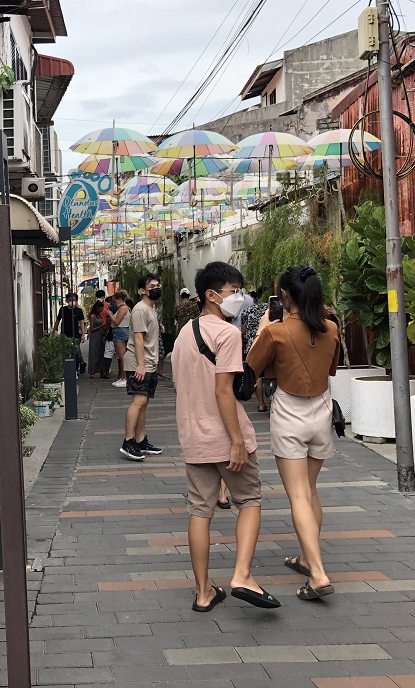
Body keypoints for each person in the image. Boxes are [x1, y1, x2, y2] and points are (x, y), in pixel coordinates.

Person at [172, 261, 280, 612]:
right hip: (225, 435)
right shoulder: (227, 334)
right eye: (235, 292)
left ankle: (204, 592)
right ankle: (242, 576)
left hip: (193, 437)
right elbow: (223, 392)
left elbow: (178, 385)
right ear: (212, 295)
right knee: (249, 501)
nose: (241, 298)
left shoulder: (185, 333)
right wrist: (236, 440)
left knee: (199, 512)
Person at [246, 265, 340, 601]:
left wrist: (263, 330)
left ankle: (317, 574)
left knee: (298, 495)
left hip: (289, 413)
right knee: (311, 491)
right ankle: (306, 558)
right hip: (322, 411)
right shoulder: (331, 329)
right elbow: (330, 368)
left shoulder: (276, 331)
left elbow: (250, 368)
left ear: (285, 296)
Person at [120, 275, 164, 461]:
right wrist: (140, 365)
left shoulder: (150, 308)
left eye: (158, 285)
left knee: (144, 402)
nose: (156, 288)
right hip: (140, 362)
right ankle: (128, 442)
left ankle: (140, 439)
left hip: (148, 362)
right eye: (151, 286)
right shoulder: (139, 310)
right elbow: (138, 337)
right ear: (141, 290)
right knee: (138, 401)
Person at [241, 290, 270, 412]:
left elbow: (243, 331)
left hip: (252, 346)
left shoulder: (247, 310)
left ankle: (261, 404)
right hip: (269, 343)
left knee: (257, 375)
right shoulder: (268, 308)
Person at [52, 292, 86, 374]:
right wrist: (54, 331)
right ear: (67, 300)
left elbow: (81, 322)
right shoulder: (63, 310)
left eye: (74, 300)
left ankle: (76, 369)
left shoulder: (79, 311)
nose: (72, 301)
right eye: (70, 300)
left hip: (76, 335)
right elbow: (57, 321)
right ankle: (68, 370)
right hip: (65, 334)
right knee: (66, 353)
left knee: (77, 354)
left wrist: (83, 334)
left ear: (77, 300)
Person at [109, 290, 132, 387]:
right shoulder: (127, 308)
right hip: (124, 331)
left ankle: (124, 378)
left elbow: (116, 322)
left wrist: (110, 315)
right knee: (123, 356)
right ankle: (124, 377)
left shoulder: (123, 308)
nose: (114, 304)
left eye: (114, 301)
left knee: (121, 356)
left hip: (120, 331)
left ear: (119, 299)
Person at [87, 300, 111, 380]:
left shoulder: (98, 315)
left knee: (101, 352)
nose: (102, 309)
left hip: (100, 335)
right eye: (101, 308)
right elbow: (91, 328)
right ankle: (92, 372)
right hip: (95, 336)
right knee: (94, 353)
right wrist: (101, 326)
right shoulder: (93, 316)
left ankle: (100, 370)